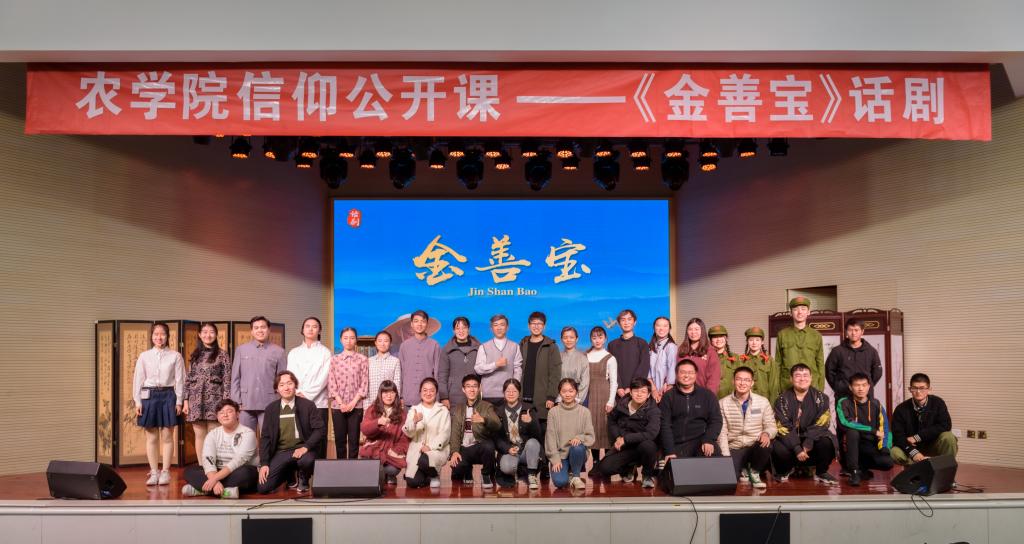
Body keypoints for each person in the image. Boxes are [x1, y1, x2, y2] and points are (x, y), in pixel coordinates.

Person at [133, 322, 185, 486]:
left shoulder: (176, 356)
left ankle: (166, 472)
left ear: (167, 336)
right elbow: (138, 379)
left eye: (162, 334)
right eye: (156, 334)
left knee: (168, 436)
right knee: (152, 437)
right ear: (152, 336)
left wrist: (179, 401)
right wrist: (137, 401)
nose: (159, 337)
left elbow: (180, 380)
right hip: (149, 396)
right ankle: (154, 472)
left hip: (168, 395)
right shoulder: (144, 356)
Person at [257, 371, 325, 494]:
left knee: (306, 461)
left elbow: (320, 430)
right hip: (281, 452)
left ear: (295, 385)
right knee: (263, 488)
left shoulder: (308, 405)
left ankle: (304, 477)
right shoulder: (271, 409)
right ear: (277, 389)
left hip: (303, 450)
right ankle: (288, 475)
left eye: (289, 383)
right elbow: (265, 438)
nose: (286, 388)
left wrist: (306, 447)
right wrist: (264, 463)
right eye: (282, 385)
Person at [772, 364, 837, 485]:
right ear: (791, 379)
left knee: (826, 442)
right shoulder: (781, 400)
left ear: (811, 378)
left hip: (811, 440)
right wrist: (797, 448)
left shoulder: (822, 398)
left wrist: (808, 442)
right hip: (790, 441)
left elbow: (822, 423)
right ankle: (785, 470)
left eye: (805, 375)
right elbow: (782, 426)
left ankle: (821, 472)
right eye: (798, 375)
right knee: (777, 447)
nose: (802, 379)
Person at [181, 399, 258, 498]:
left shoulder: (248, 433)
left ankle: (202, 490)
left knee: (247, 474)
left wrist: (214, 479)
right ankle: (225, 491)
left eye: (229, 411)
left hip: (238, 470)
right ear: (217, 417)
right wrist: (215, 481)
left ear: (237, 414)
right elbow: (208, 459)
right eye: (221, 413)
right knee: (189, 471)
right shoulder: (213, 434)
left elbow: (238, 461)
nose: (225, 415)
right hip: (217, 470)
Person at [717, 367, 777, 489]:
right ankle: (743, 468)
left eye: (746, 380)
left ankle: (754, 471)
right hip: (734, 447)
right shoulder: (723, 403)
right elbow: (721, 432)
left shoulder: (762, 402)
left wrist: (767, 433)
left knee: (766, 444)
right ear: (733, 381)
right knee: (730, 478)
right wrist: (726, 457)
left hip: (754, 445)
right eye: (739, 379)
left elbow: (771, 425)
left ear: (752, 383)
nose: (742, 383)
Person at [518, 311, 562, 478]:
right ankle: (527, 470)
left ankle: (544, 468)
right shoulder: (523, 344)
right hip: (524, 398)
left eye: (539, 323)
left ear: (544, 326)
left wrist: (551, 396)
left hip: (542, 399)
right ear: (529, 325)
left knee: (543, 434)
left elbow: (555, 373)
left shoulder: (551, 346)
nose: (536, 326)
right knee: (526, 434)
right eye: (533, 323)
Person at [596, 378, 661, 488]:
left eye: (643, 391)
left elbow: (651, 433)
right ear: (630, 392)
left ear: (649, 394)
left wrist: (625, 439)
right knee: (604, 468)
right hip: (625, 447)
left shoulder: (653, 410)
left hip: (642, 445)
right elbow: (611, 419)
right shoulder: (622, 404)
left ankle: (647, 475)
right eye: (636, 391)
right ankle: (629, 467)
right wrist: (617, 437)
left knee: (649, 446)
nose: (639, 394)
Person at [183, 322, 231, 462]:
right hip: (195, 400)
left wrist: (225, 403)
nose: (207, 335)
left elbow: (227, 379)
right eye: (204, 332)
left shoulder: (222, 355)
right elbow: (189, 379)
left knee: (213, 436)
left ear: (216, 335)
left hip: (215, 400)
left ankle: (213, 467)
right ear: (199, 335)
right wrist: (185, 401)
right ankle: (202, 467)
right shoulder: (195, 355)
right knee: (199, 436)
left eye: (211, 332)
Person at [231, 316, 288, 432]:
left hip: (269, 402)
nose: (260, 330)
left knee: (269, 437)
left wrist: (278, 401)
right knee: (245, 438)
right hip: (245, 403)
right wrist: (236, 402)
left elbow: (282, 380)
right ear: (252, 331)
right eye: (256, 328)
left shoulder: (279, 352)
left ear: (269, 330)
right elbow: (235, 378)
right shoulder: (241, 350)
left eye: (263, 327)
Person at [836, 373, 893, 486]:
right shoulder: (844, 402)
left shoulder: (876, 404)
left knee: (887, 462)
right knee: (852, 432)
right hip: (850, 446)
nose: (860, 388)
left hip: (869, 445)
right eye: (857, 385)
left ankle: (863, 468)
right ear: (850, 387)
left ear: (869, 386)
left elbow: (885, 428)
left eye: (863, 385)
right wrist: (872, 430)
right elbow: (845, 422)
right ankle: (854, 472)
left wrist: (884, 447)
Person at [660, 358, 723, 461]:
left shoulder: (707, 395)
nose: (686, 376)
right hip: (676, 444)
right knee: (674, 469)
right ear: (676, 374)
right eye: (683, 372)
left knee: (714, 458)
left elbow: (716, 420)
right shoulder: (668, 396)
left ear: (696, 374)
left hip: (700, 442)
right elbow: (665, 425)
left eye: (690, 372)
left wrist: (708, 439)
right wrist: (669, 451)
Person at [286, 317, 331, 458]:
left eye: (314, 326)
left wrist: (307, 395)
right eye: (307, 326)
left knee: (319, 438)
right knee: (298, 437)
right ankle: (300, 470)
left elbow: (324, 378)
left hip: (318, 403)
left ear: (319, 330)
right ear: (302, 330)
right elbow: (290, 376)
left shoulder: (325, 352)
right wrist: (297, 392)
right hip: (297, 400)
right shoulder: (293, 352)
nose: (311, 329)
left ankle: (320, 469)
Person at [890, 373, 957, 465]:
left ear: (929, 389)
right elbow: (898, 437)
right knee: (894, 452)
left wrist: (917, 437)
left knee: (949, 437)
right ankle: (922, 466)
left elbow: (946, 425)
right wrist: (914, 453)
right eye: (914, 388)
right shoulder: (900, 409)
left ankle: (946, 468)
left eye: (922, 388)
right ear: (910, 389)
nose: (918, 392)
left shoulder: (938, 403)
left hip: (933, 445)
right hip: (911, 448)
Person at [447, 374, 501, 488]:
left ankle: (485, 474)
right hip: (464, 448)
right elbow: (455, 433)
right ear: (463, 389)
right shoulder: (459, 408)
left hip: (479, 447)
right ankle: (467, 469)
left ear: (479, 388)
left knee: (489, 446)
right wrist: (454, 452)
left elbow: (497, 424)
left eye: (475, 386)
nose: (472, 389)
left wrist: (484, 420)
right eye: (468, 386)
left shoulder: (487, 406)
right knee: (457, 471)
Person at [545, 378, 595, 490]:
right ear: (559, 393)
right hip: (560, 455)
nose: (567, 394)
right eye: (564, 391)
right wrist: (555, 459)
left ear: (576, 392)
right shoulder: (553, 412)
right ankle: (567, 474)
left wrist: (579, 438)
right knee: (560, 482)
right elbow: (550, 438)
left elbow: (590, 436)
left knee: (577, 447)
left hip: (578, 453)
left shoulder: (585, 412)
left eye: (571, 391)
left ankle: (576, 476)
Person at [328, 327, 369, 459]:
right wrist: (341, 403)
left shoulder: (363, 359)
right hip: (338, 406)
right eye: (345, 338)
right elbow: (331, 383)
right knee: (339, 441)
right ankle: (341, 468)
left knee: (354, 441)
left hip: (356, 406)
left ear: (356, 340)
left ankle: (353, 468)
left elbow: (364, 383)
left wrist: (352, 403)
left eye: (352, 338)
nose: (349, 341)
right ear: (341, 340)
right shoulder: (334, 359)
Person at [494, 378, 543, 489]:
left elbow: (538, 436)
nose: (511, 394)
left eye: (514, 391)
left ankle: (531, 474)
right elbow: (496, 438)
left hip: (526, 451)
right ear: (503, 393)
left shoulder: (529, 409)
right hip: (511, 451)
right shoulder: (498, 411)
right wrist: (507, 449)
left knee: (533, 442)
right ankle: (517, 473)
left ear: (519, 393)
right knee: (506, 467)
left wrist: (531, 422)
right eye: (508, 391)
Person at [402, 378, 451, 489]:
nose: (428, 393)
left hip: (436, 450)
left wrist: (430, 447)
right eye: (425, 390)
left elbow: (445, 434)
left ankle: (434, 475)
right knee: (413, 482)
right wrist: (414, 421)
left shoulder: (443, 410)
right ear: (420, 392)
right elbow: (408, 433)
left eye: (431, 390)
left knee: (425, 460)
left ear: (436, 393)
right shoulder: (414, 410)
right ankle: (427, 475)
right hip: (417, 451)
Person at [359, 380, 410, 485]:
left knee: (392, 470)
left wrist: (396, 450)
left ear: (396, 394)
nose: (389, 396)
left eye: (392, 392)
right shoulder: (372, 409)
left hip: (390, 452)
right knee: (369, 462)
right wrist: (377, 422)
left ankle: (384, 474)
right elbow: (364, 429)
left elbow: (404, 439)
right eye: (385, 392)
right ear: (380, 394)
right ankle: (379, 473)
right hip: (374, 450)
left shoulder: (402, 414)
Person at [826, 319, 883, 405]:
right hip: (843, 395)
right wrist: (839, 386)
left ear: (862, 331)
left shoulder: (871, 351)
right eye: (850, 330)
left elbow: (877, 372)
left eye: (856, 330)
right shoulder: (837, 351)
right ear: (846, 331)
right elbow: (829, 371)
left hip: (865, 396)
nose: (853, 333)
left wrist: (865, 386)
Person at [776, 297, 825, 391]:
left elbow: (820, 364)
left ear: (808, 312)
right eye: (795, 309)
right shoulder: (782, 335)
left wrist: (820, 388)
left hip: (812, 385)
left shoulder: (816, 335)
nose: (800, 312)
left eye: (803, 309)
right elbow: (778, 363)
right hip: (787, 385)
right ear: (791, 313)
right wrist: (777, 388)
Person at [585, 326, 618, 463]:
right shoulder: (585, 355)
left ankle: (607, 463)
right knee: (593, 427)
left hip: (605, 394)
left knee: (605, 427)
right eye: (594, 337)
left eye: (600, 337)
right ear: (590, 339)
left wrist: (611, 401)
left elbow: (614, 382)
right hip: (589, 395)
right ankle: (595, 462)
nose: (597, 340)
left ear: (605, 338)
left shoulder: (610, 358)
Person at [476, 314, 523, 405]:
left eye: (502, 325)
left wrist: (514, 388)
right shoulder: (484, 346)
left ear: (507, 327)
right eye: (495, 325)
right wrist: (495, 365)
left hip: (508, 394)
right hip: (488, 394)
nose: (499, 328)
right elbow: (478, 369)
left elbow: (518, 369)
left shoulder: (515, 346)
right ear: (491, 328)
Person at [398, 310, 442, 405]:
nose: (419, 324)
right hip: (408, 396)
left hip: (429, 397)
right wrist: (400, 395)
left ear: (427, 324)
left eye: (423, 321)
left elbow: (437, 373)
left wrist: (437, 397)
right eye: (416, 321)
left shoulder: (435, 345)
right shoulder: (404, 346)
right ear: (412, 324)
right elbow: (400, 372)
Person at [439, 317, 482, 407]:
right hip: (454, 396)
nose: (461, 331)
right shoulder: (446, 350)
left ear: (469, 329)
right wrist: (444, 397)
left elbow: (483, 373)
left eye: (464, 328)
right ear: (453, 331)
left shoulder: (479, 348)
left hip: (475, 395)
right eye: (457, 328)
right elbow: (442, 375)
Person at [608, 309, 650, 399]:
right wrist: (618, 387)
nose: (626, 323)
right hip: (617, 391)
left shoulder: (642, 343)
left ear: (635, 322)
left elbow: (643, 367)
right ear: (619, 323)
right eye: (623, 320)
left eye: (629, 319)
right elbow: (610, 368)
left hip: (636, 390)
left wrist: (631, 387)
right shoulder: (612, 345)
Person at [735, 327, 781, 405]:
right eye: (751, 340)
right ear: (747, 342)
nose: (754, 343)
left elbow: (774, 386)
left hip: (764, 401)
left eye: (757, 340)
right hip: (745, 401)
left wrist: (772, 405)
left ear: (762, 342)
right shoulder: (741, 360)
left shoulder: (769, 360)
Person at [677, 317, 722, 394]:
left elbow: (714, 378)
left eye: (696, 329)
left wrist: (708, 397)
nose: (693, 332)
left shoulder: (710, 351)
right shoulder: (681, 350)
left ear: (702, 331)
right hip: (681, 393)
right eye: (690, 329)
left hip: (702, 394)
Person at [365, 331, 401, 411]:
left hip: (389, 404)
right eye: (380, 341)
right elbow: (366, 385)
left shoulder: (395, 361)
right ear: (375, 343)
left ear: (390, 343)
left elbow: (397, 384)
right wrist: (366, 406)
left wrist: (395, 405)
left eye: (386, 341)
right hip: (371, 403)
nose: (383, 344)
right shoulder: (369, 361)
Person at [648, 316, 677, 403]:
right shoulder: (650, 348)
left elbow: (672, 369)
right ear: (654, 328)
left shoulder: (671, 347)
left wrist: (666, 389)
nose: (661, 328)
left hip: (666, 391)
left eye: (665, 326)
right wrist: (653, 389)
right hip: (652, 390)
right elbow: (648, 371)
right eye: (658, 325)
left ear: (669, 328)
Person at [559, 327, 590, 404]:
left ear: (577, 339)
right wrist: (559, 397)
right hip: (561, 396)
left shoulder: (583, 358)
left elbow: (585, 382)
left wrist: (577, 399)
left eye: (571, 337)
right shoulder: (557, 357)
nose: (568, 340)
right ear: (561, 339)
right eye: (565, 337)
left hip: (578, 396)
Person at [708, 325, 739, 399]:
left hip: (731, 399)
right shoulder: (705, 358)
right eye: (715, 337)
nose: (718, 339)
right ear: (711, 340)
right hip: (711, 398)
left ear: (726, 338)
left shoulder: (736, 358)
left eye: (721, 336)